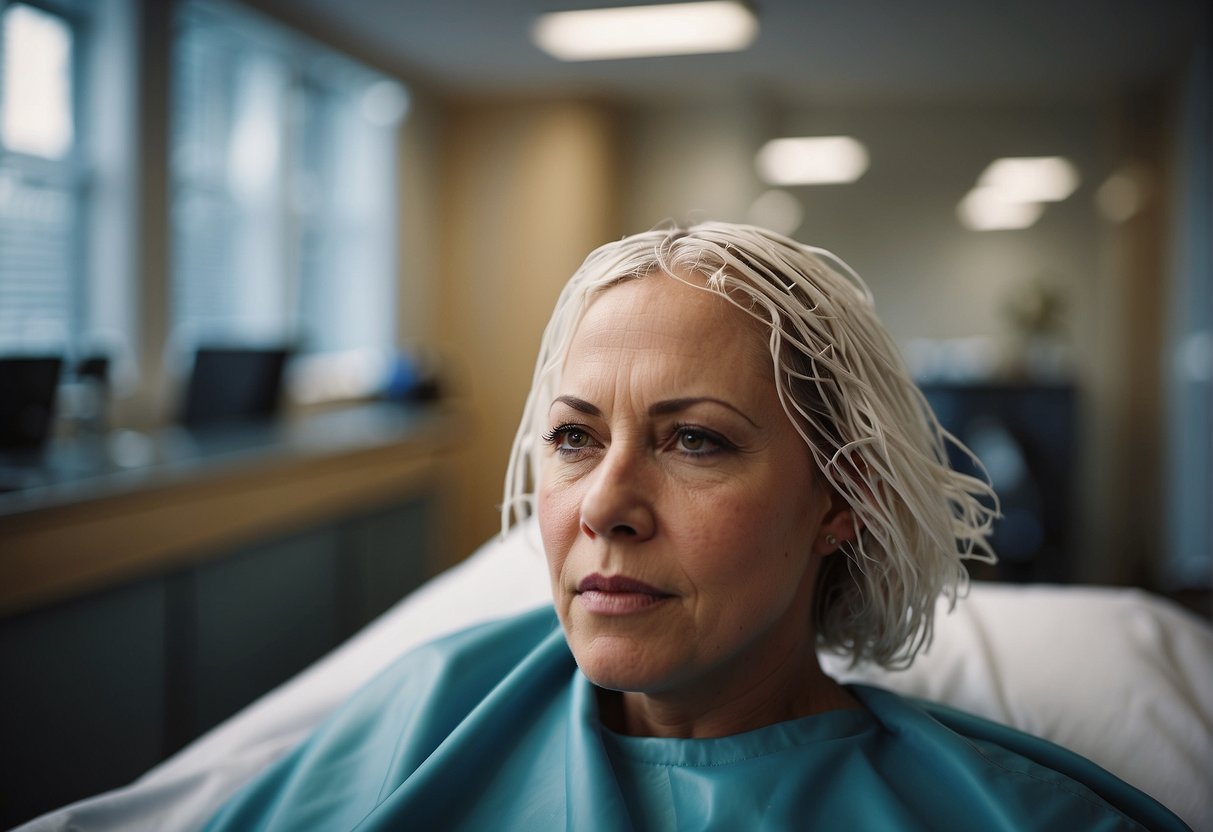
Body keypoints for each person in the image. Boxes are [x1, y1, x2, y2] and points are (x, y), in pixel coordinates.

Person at [204, 222, 1188, 830]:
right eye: (574, 437)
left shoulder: (1010, 815)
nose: (602, 505)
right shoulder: (420, 720)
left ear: (843, 499)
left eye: (695, 442)